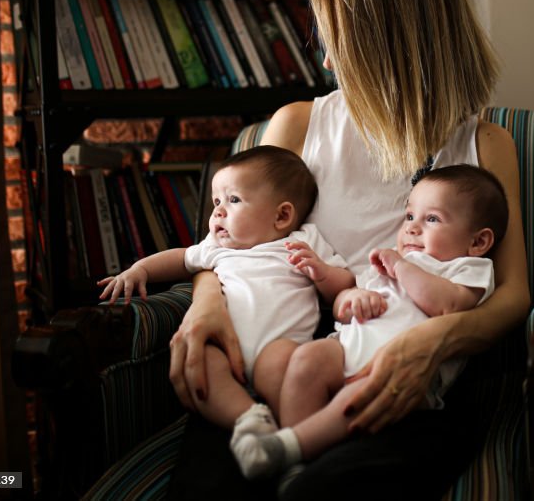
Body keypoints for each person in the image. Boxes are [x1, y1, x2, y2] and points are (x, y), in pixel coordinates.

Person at [169, 0, 530, 499]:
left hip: (417, 371)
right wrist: (206, 303)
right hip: (287, 354)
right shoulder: (300, 124)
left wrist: (435, 344)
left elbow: (514, 294)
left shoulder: (486, 145)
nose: (330, 63)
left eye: (340, 41)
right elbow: (231, 245)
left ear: (394, 37)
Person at [233, 165, 508, 480]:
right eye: (409, 217)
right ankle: (298, 462)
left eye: (431, 219)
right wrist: (351, 300)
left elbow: (449, 306)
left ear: (478, 242)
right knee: (307, 358)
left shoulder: (467, 268)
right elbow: (344, 302)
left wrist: (401, 267)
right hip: (346, 350)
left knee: (361, 393)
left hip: (401, 375)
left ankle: (290, 446)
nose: (413, 228)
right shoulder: (388, 259)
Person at [98, 146, 354, 447]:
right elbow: (181, 258)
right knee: (201, 365)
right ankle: (248, 420)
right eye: (216, 201)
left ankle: (292, 440)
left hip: (278, 346)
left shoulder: (303, 241)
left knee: (284, 369)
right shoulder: (216, 248)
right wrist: (139, 270)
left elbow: (345, 283)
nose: (218, 211)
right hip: (221, 340)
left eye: (233, 200)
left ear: (282, 215)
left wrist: (321, 271)